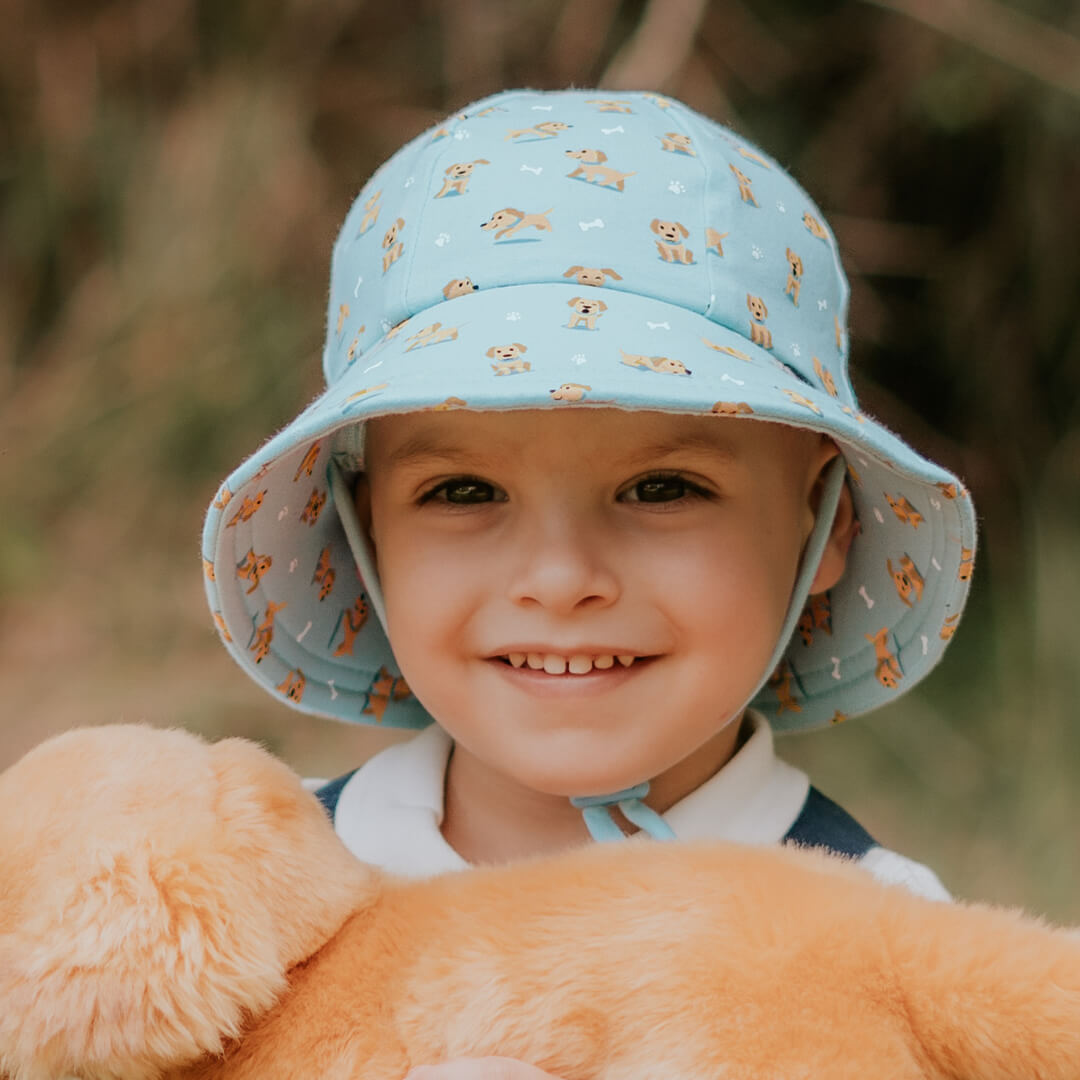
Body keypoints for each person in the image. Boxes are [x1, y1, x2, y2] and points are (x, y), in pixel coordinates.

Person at [201, 87, 977, 1078]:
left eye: (663, 486)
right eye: (463, 488)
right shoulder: (257, 898)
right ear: (364, 537)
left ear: (827, 525)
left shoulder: (888, 944)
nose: (561, 579)